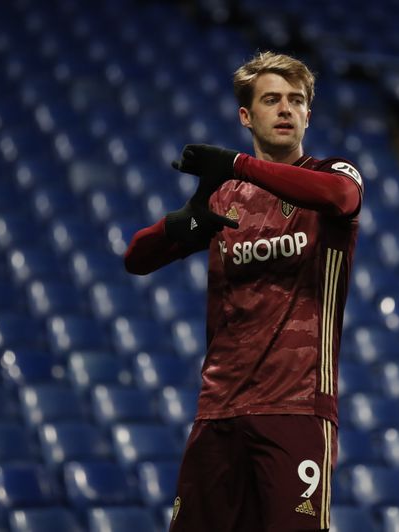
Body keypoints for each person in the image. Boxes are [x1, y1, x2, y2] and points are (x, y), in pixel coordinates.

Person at [124, 51, 364, 532]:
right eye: (271, 100)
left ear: (309, 114)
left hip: (296, 408)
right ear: (245, 116)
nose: (285, 109)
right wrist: (179, 224)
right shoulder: (226, 198)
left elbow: (340, 198)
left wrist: (238, 164)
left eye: (296, 100)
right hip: (219, 408)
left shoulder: (333, 174)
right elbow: (136, 259)